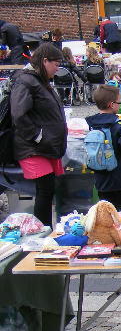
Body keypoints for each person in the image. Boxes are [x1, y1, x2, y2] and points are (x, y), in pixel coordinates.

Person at [11, 44, 67, 227]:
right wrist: (38, 136)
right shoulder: (26, 81)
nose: (58, 68)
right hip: (33, 148)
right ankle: (43, 233)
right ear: (44, 61)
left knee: (49, 190)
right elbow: (19, 114)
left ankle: (46, 229)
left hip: (47, 146)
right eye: (56, 64)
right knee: (45, 189)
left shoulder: (40, 80)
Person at [86, 85, 121, 211]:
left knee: (107, 213)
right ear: (112, 104)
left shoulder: (91, 125)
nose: (120, 104)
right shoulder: (120, 124)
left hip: (101, 180)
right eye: (119, 101)